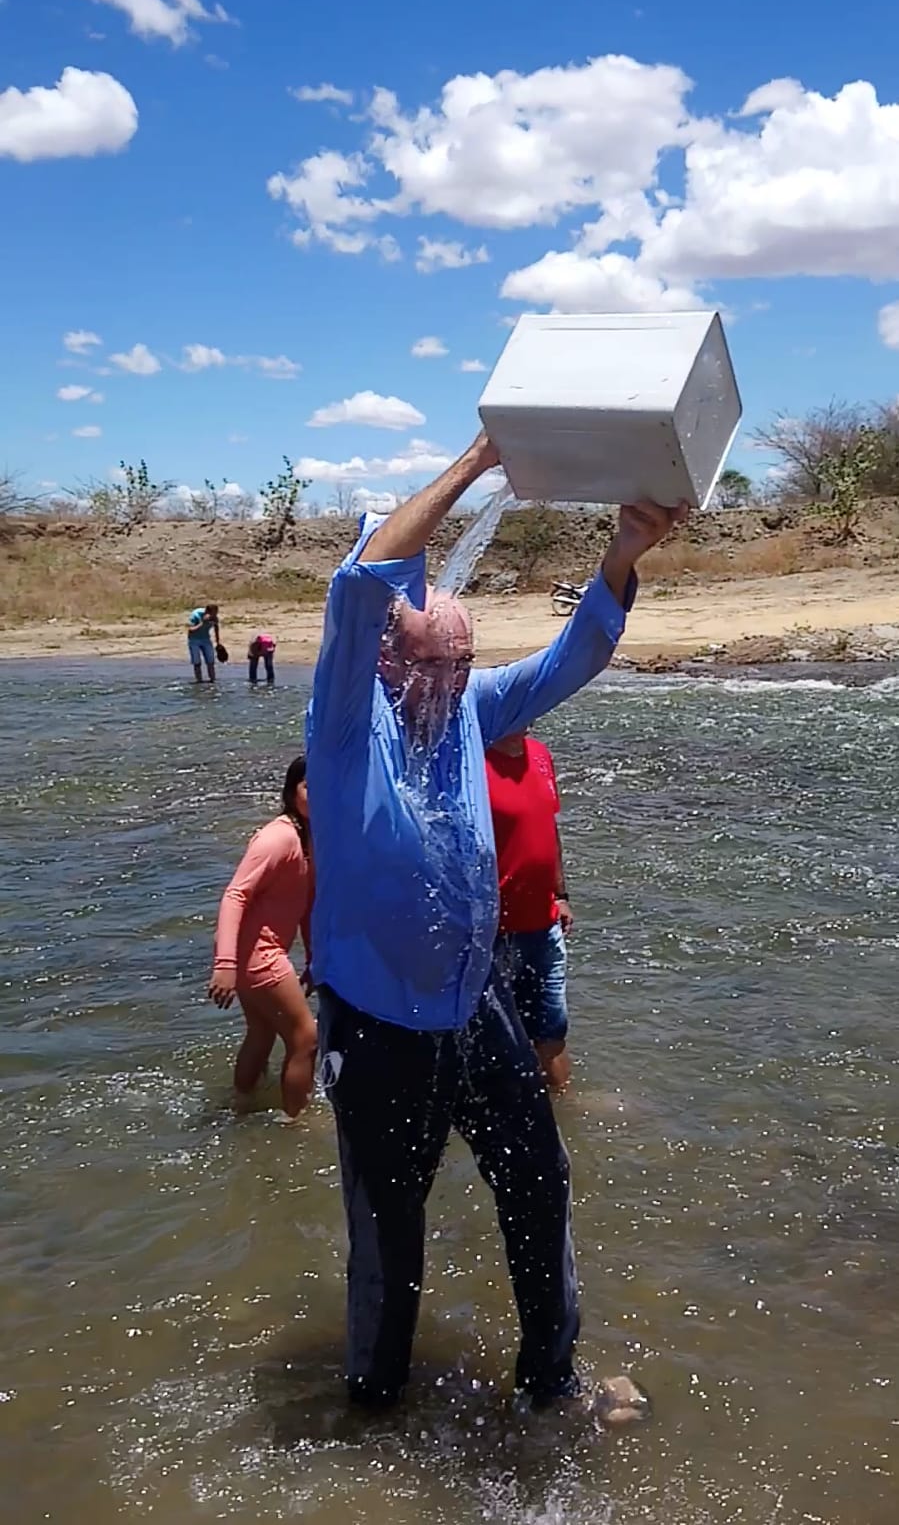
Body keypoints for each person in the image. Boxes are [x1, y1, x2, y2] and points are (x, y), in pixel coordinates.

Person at [306, 429, 686, 1421]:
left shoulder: (468, 706)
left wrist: (620, 555)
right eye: (440, 665)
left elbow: (573, 659)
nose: (458, 683)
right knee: (391, 1230)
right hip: (377, 1021)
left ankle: (550, 1383)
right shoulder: (348, 726)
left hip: (474, 1007)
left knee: (539, 1185)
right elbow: (359, 585)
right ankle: (373, 1404)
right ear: (387, 663)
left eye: (467, 663)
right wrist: (477, 466)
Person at [208, 754, 317, 1118]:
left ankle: (241, 1105)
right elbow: (235, 895)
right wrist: (225, 965)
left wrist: (314, 958)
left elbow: (305, 904)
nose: (315, 795)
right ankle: (295, 1122)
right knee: (305, 1037)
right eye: (307, 787)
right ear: (290, 792)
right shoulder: (279, 838)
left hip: (256, 957)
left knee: (261, 1032)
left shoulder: (309, 836)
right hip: (258, 956)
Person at [486, 729, 573, 1094]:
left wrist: (561, 892)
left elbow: (547, 827)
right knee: (497, 1040)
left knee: (552, 1029)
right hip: (497, 932)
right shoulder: (476, 761)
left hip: (545, 921)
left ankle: (562, 1112)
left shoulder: (540, 754)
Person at [187, 603, 221, 683]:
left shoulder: (214, 617)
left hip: (206, 639)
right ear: (207, 612)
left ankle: (212, 681)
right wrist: (202, 623)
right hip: (194, 640)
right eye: (213, 613)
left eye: (216, 613)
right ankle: (199, 681)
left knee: (210, 661)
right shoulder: (196, 615)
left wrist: (218, 642)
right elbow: (190, 630)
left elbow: (216, 628)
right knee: (197, 662)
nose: (215, 615)